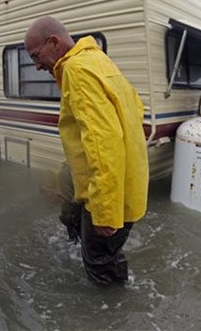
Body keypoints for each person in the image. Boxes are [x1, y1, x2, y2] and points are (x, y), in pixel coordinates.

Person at [25, 16, 149, 286]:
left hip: (111, 194)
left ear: (54, 42)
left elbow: (104, 141)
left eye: (36, 56)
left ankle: (113, 315)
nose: (36, 66)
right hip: (124, 182)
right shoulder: (99, 61)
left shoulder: (77, 70)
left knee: (99, 264)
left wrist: (105, 210)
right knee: (76, 225)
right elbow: (136, 110)